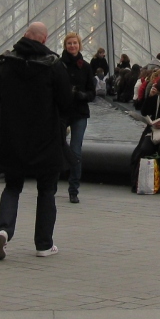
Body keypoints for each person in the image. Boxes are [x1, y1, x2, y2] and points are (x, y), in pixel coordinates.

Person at [0, 22, 72, 260]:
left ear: (24, 36)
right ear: (44, 40)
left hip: (12, 137)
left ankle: (3, 229)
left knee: (12, 187)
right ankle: (44, 245)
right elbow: (66, 101)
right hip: (46, 138)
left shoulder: (4, 62)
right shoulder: (54, 64)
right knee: (46, 190)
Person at [60, 31, 94, 204]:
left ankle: (74, 189)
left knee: (75, 150)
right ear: (65, 46)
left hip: (79, 112)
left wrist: (81, 95)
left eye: (75, 43)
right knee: (57, 146)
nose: (72, 46)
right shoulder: (58, 65)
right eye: (69, 43)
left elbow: (92, 93)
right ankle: (51, 182)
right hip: (62, 112)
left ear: (79, 45)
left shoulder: (86, 67)